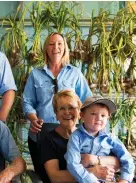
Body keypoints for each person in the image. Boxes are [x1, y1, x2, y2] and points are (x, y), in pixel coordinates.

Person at [40, 90, 130, 183]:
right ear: (56, 113)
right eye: (61, 108)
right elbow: (55, 177)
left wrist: (94, 159)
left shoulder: (94, 133)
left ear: (80, 112)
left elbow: (118, 162)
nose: (67, 112)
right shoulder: (49, 139)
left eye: (71, 107)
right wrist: (93, 172)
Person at [22, 32, 92, 174]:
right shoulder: (35, 74)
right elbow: (27, 102)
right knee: (44, 177)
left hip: (69, 133)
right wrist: (33, 120)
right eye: (51, 44)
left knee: (71, 173)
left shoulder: (75, 73)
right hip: (41, 132)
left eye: (60, 43)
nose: (56, 47)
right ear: (46, 49)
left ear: (65, 48)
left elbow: (87, 101)